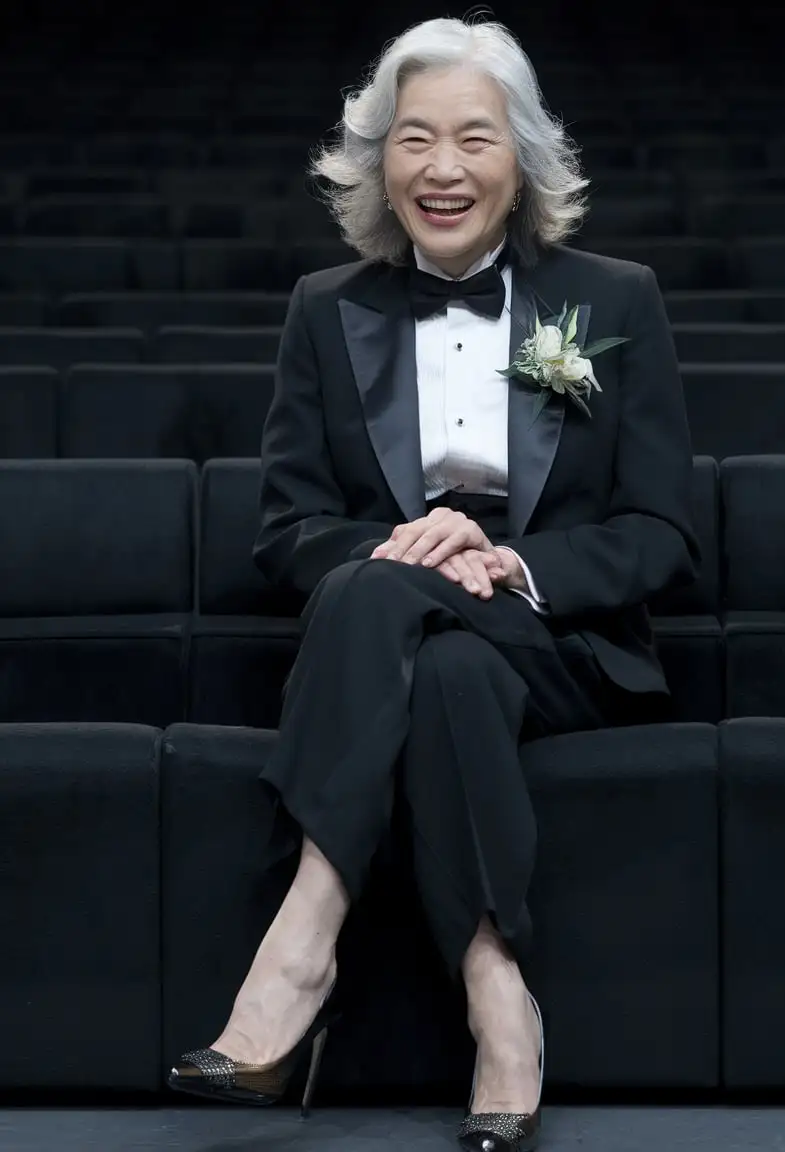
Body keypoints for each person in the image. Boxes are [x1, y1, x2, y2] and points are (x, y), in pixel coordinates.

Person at [167, 16, 700, 1151]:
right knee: (436, 657)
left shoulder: (617, 299)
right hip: (422, 638)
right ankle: (501, 999)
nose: (443, 169)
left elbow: (661, 531)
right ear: (378, 160)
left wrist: (509, 559)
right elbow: (288, 528)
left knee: (388, 595)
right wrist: (408, 547)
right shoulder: (326, 309)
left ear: (523, 160)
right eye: (414, 140)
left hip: (561, 644)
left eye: (473, 139)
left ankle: (303, 943)